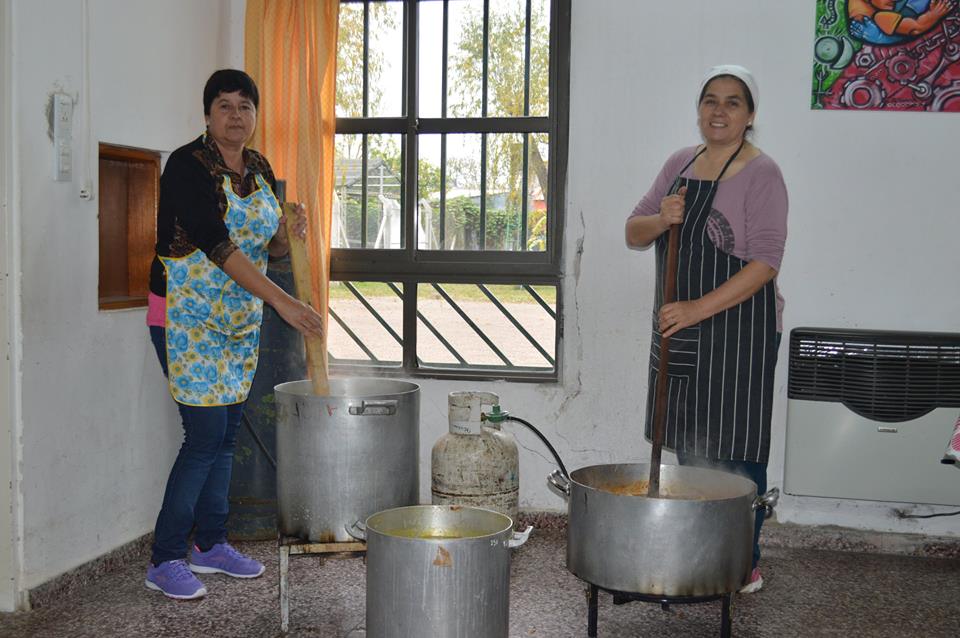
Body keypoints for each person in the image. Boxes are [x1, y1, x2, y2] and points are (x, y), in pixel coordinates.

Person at [144, 69, 324, 600]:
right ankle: (165, 557)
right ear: (207, 114)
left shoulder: (260, 167)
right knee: (202, 437)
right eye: (224, 105)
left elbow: (263, 249)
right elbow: (218, 246)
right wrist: (284, 301)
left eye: (245, 106)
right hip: (185, 316)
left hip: (237, 319)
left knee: (224, 437)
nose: (236, 115)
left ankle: (211, 545)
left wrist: (289, 238)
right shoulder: (185, 166)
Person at [625, 65, 788, 594]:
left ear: (750, 115)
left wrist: (697, 309)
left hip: (738, 329)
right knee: (690, 446)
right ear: (699, 110)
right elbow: (633, 231)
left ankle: (743, 562)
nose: (719, 111)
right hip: (682, 325)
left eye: (733, 102)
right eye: (710, 100)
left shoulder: (763, 174)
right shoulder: (680, 163)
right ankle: (696, 554)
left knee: (735, 451)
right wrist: (662, 219)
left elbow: (764, 263)